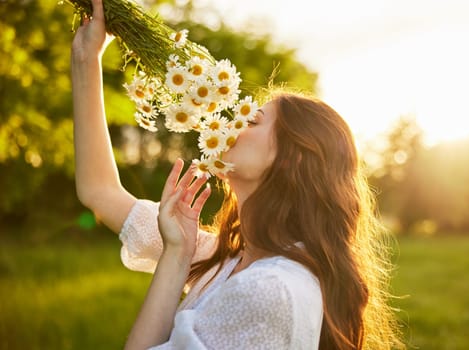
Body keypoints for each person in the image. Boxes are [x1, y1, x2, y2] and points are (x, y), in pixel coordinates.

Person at [71, 0, 404, 349]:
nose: (232, 123)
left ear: (292, 160)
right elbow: (100, 191)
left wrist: (176, 255)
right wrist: (86, 58)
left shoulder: (267, 292)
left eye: (253, 120)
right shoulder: (229, 261)